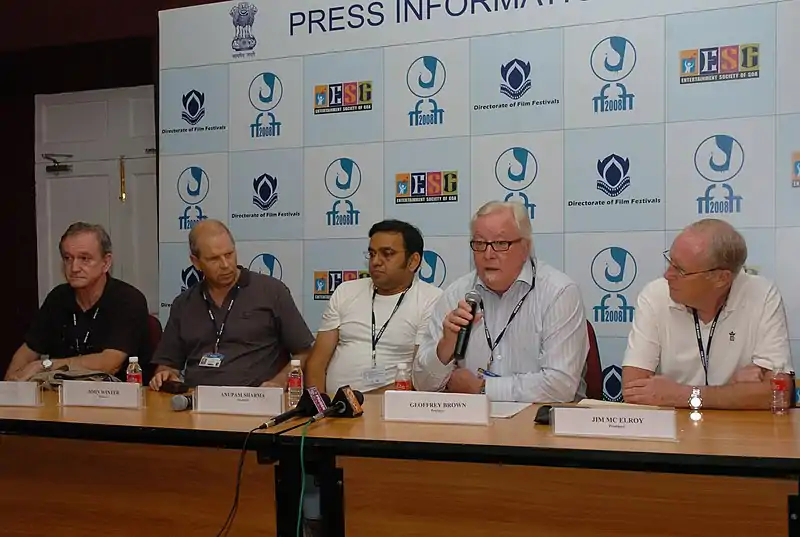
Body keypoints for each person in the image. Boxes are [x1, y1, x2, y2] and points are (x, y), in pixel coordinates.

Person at [414, 201, 589, 402]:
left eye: (500, 244)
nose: (488, 255)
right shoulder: (457, 295)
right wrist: (444, 349)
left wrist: (483, 389)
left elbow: (560, 386)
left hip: (541, 423)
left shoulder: (559, 292)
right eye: (479, 244)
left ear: (525, 247)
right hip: (471, 426)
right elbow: (421, 385)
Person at [622, 219, 793, 410]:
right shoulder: (655, 295)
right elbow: (633, 391)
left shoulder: (762, 295)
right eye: (670, 262)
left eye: (679, 269)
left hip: (738, 432)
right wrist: (735, 392)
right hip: (675, 430)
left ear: (722, 278)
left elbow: (779, 395)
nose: (667, 275)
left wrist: (682, 395)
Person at [149, 219, 313, 389]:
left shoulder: (271, 291)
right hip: (197, 402)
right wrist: (165, 374)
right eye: (214, 259)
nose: (226, 265)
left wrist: (280, 381)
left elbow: (304, 352)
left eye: (229, 254)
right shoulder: (184, 304)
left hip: (256, 400)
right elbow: (167, 364)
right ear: (196, 262)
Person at [305, 220, 443, 394]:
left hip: (390, 411)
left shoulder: (431, 300)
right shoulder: (346, 291)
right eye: (372, 254)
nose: (376, 261)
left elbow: (422, 379)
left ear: (413, 261)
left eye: (387, 254)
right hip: (333, 412)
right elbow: (316, 363)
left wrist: (356, 405)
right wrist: (320, 410)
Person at [4, 222, 151, 381]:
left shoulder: (128, 300)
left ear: (106, 263)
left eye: (84, 259)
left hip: (115, 397)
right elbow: (28, 350)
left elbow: (110, 363)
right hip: (59, 397)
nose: (74, 267)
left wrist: (45, 365)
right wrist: (11, 385)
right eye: (68, 258)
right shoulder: (58, 298)